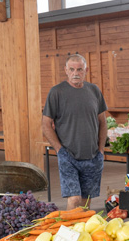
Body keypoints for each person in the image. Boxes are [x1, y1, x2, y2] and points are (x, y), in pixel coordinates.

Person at [42, 54, 108, 209]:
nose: (75, 73)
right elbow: (46, 124)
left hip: (92, 156)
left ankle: (81, 226)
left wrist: (101, 150)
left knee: (86, 202)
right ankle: (69, 226)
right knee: (74, 199)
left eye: (79, 69)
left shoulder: (94, 91)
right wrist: (59, 150)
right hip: (68, 156)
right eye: (71, 69)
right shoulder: (56, 92)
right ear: (66, 70)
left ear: (86, 70)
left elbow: (103, 122)